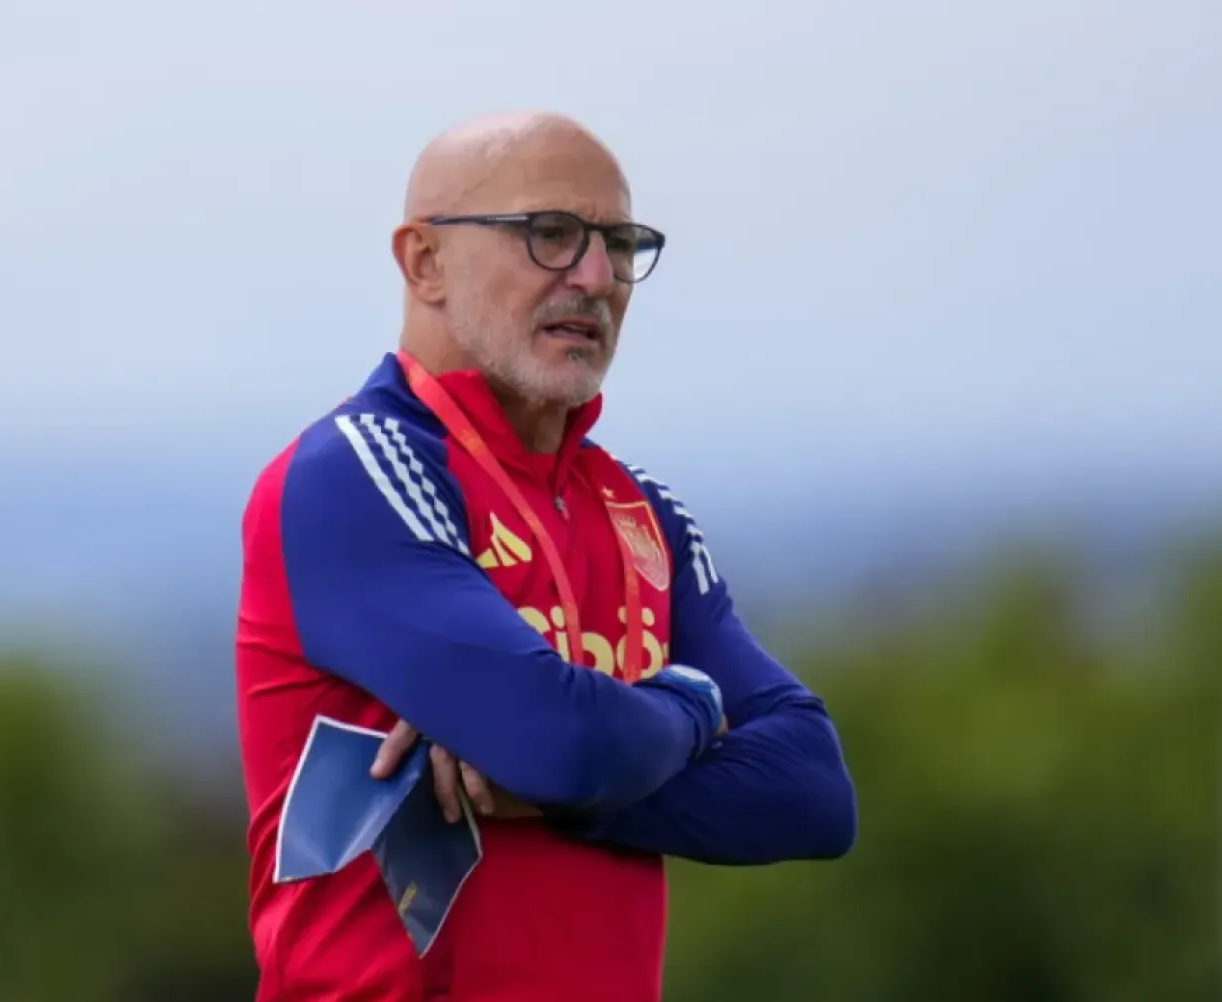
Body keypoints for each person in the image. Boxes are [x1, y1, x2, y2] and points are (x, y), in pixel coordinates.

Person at [234, 110, 857, 1002]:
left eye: (620, 242)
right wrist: (689, 704)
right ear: (424, 262)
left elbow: (812, 790)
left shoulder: (643, 513)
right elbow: (563, 742)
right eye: (551, 235)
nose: (597, 277)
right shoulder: (357, 473)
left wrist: (578, 771)